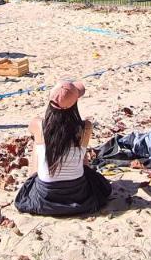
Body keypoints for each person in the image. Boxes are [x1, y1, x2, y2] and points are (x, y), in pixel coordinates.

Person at [15, 81, 111, 216]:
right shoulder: (86, 127)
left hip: (45, 196)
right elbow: (84, 160)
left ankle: (33, 178)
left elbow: (31, 130)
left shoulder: (38, 124)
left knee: (38, 144)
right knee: (80, 150)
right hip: (78, 193)